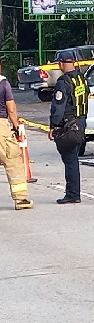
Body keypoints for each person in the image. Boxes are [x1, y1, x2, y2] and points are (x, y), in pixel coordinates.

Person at [49, 51, 88, 204]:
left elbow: (58, 106)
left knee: (70, 160)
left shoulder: (63, 82)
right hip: (81, 123)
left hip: (69, 125)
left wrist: (53, 126)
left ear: (61, 64)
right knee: (73, 158)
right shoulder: (80, 78)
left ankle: (73, 194)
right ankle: (73, 192)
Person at [0, 60, 33, 210]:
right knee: (13, 162)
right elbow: (11, 109)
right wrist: (16, 126)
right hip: (1, 127)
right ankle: (21, 200)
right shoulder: (3, 84)